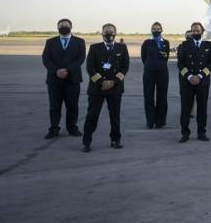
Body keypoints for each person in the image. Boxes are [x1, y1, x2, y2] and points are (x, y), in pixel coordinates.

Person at [82, 24, 129, 152]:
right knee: (92, 115)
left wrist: (113, 82)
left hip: (115, 87)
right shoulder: (94, 48)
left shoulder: (122, 48)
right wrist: (102, 82)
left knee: (115, 116)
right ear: (102, 33)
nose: (109, 33)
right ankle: (86, 141)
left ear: (115, 33)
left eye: (111, 31)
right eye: (106, 31)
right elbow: (90, 68)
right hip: (97, 88)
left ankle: (115, 139)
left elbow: (125, 67)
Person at [41, 18, 86, 139]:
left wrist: (67, 70)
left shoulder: (80, 41)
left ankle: (72, 128)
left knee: (72, 106)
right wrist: (57, 70)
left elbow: (81, 58)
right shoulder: (50, 41)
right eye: (61, 25)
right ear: (58, 28)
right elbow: (46, 59)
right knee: (54, 106)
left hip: (72, 79)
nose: (64, 27)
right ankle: (54, 129)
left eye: (66, 25)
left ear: (71, 27)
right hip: (54, 79)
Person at [177, 22, 211, 143]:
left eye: (198, 31)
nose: (195, 33)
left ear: (202, 32)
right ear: (191, 32)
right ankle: (185, 133)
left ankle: (201, 132)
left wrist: (199, 76)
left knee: (202, 109)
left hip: (202, 82)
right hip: (187, 83)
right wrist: (189, 76)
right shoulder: (184, 45)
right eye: (193, 31)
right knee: (186, 109)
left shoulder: (209, 45)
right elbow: (180, 64)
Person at [140, 21, 170, 129]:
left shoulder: (166, 42)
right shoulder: (147, 42)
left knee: (162, 96)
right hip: (149, 72)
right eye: (154, 29)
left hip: (162, 72)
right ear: (151, 30)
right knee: (148, 96)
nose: (156, 30)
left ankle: (160, 121)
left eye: (158, 29)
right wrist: (150, 65)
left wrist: (159, 65)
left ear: (161, 30)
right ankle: (150, 121)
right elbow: (144, 57)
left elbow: (166, 57)